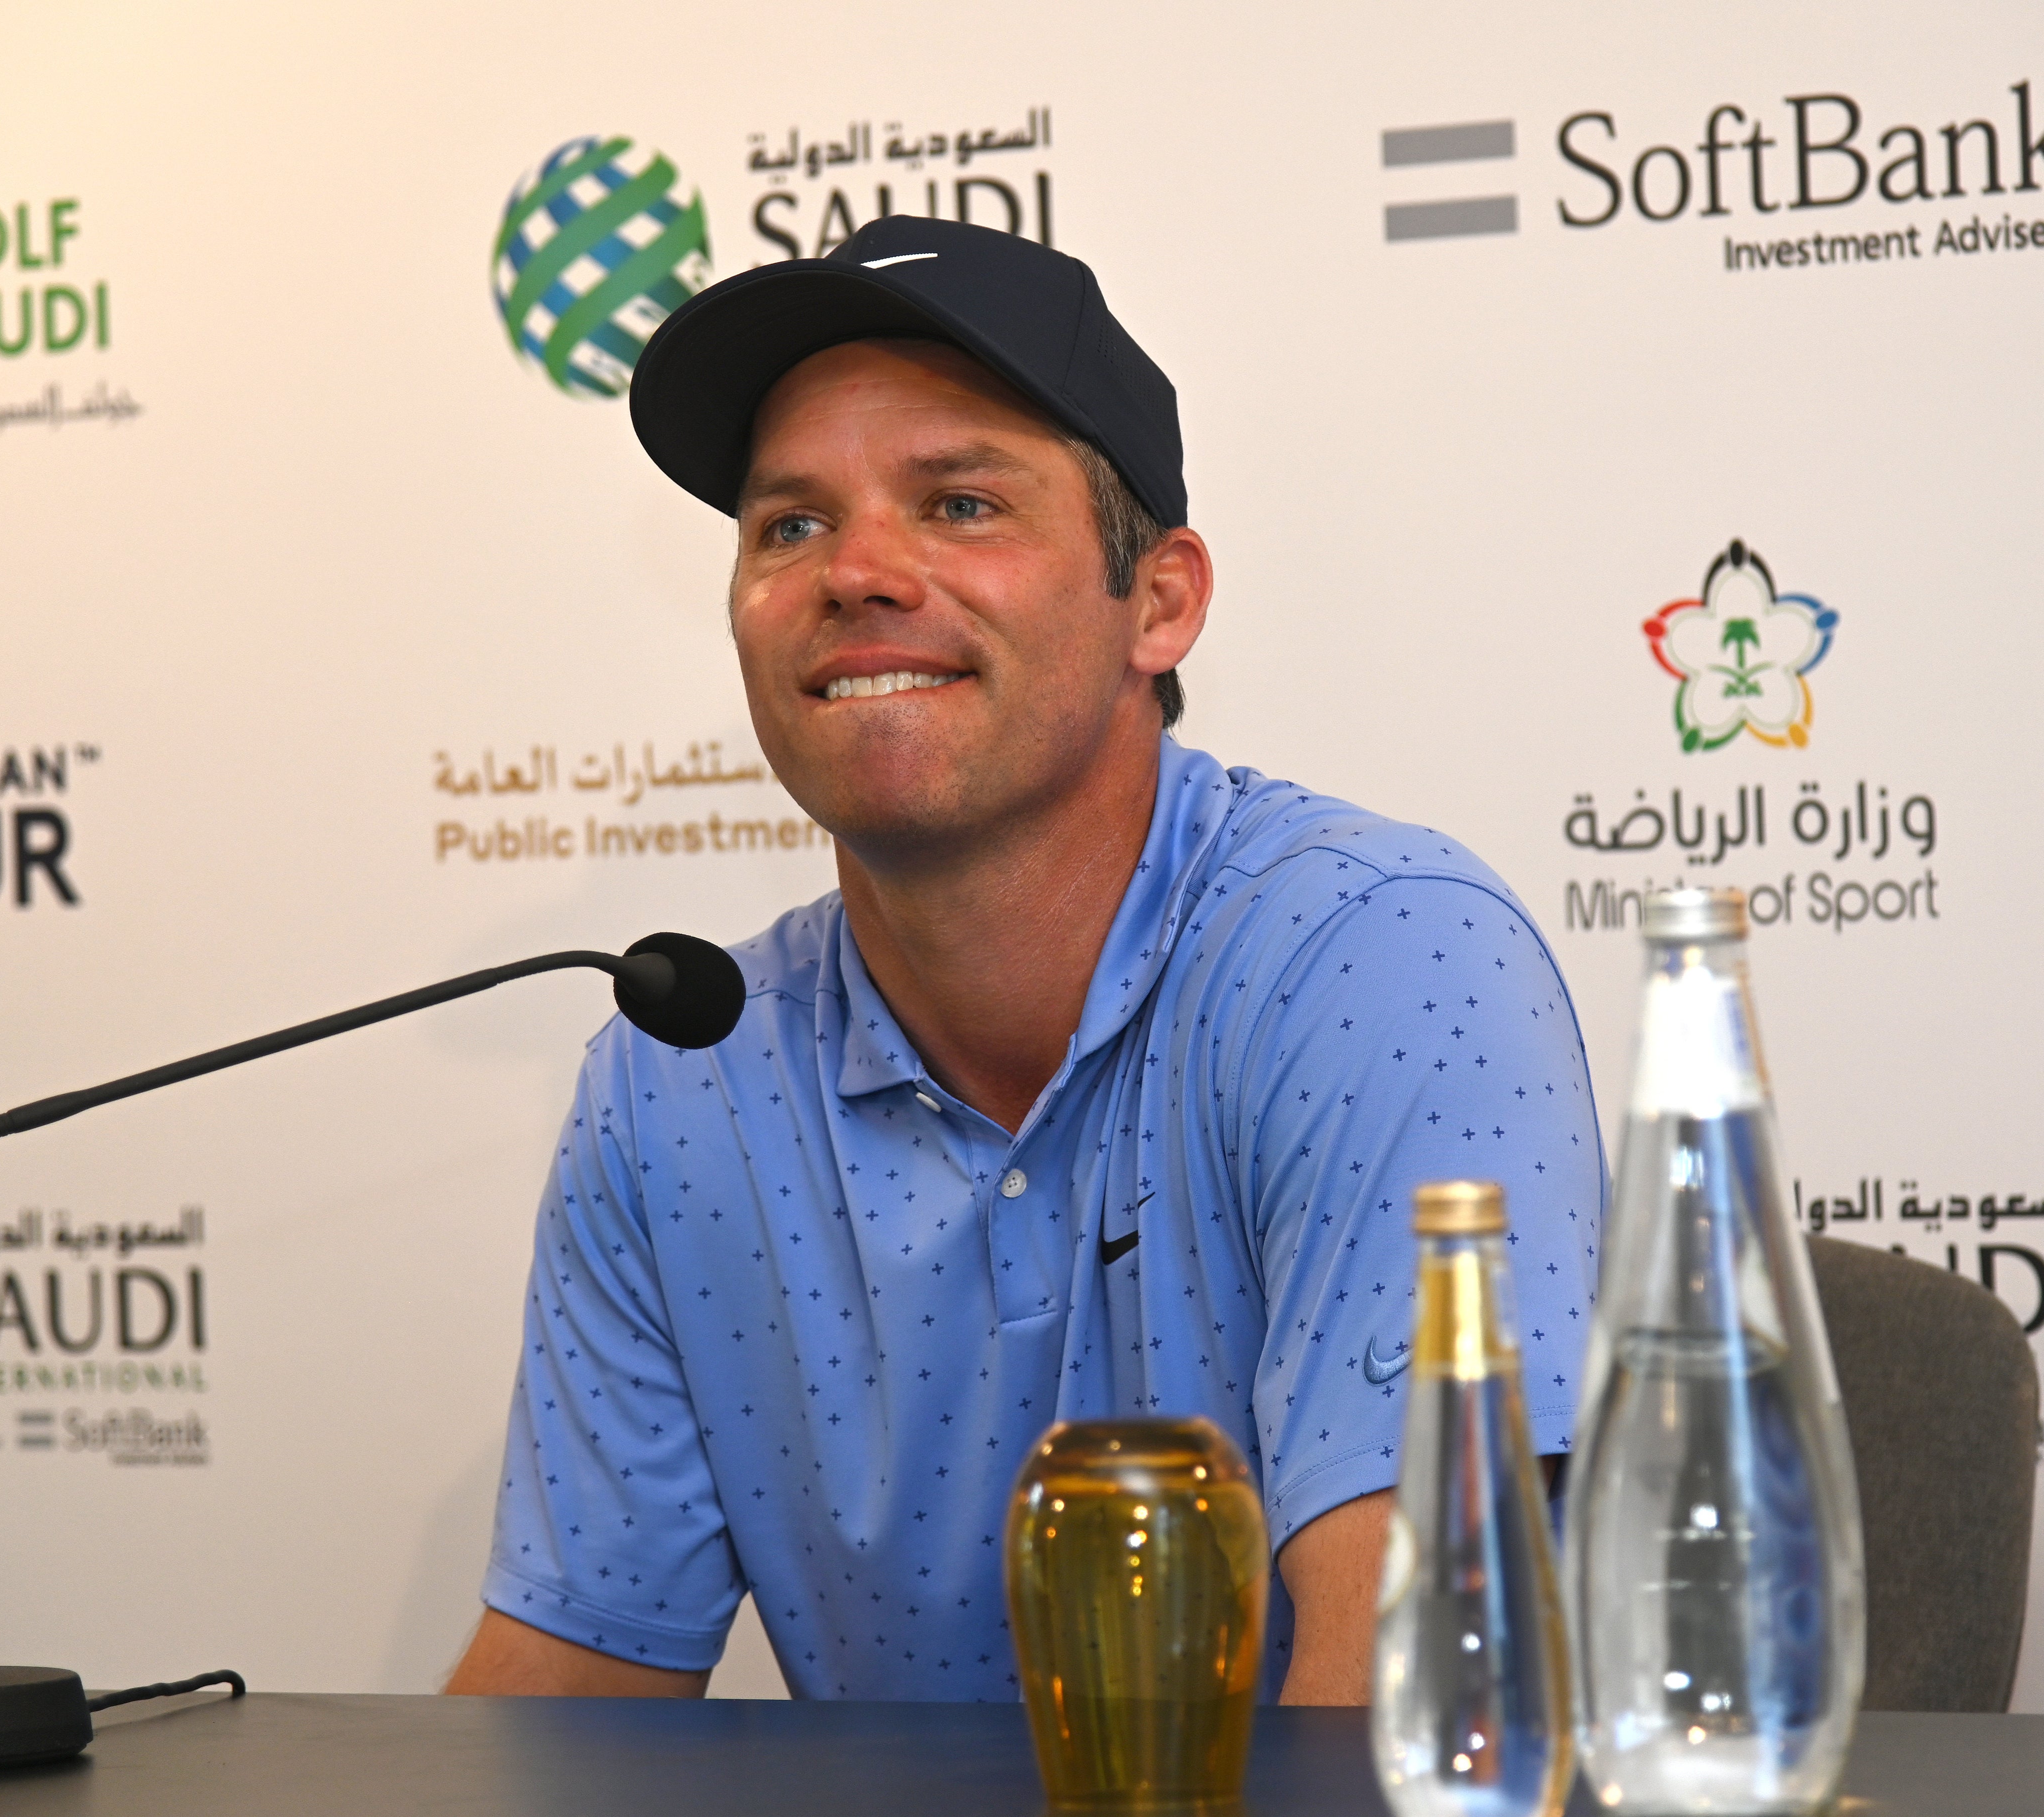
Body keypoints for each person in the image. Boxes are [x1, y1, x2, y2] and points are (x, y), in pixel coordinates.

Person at [447, 217, 1603, 1704]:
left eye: (961, 503)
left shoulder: (1377, 958)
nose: (857, 570)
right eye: (788, 524)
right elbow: (561, 1706)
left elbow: (1415, 1705)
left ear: (1162, 601)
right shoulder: (680, 1078)